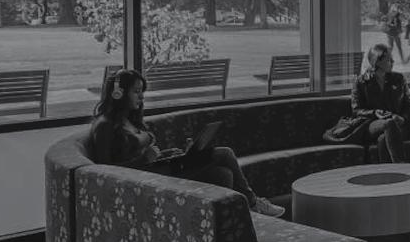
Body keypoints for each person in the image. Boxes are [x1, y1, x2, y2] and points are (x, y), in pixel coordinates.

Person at [87, 68, 284, 217]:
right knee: (225, 153)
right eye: (136, 91)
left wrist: (167, 154)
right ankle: (253, 203)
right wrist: (143, 160)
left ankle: (232, 221)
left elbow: (148, 157)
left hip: (159, 170)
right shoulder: (105, 126)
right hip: (148, 180)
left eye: (142, 91)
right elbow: (104, 171)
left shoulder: (130, 119)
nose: (141, 96)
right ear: (118, 93)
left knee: (223, 174)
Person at [351, 44, 409, 163]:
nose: (393, 62)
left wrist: (403, 117)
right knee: (389, 123)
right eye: (389, 59)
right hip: (372, 124)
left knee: (383, 139)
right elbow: (356, 110)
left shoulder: (399, 79)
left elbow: (408, 103)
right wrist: (374, 113)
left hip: (397, 123)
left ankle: (389, 172)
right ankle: (402, 167)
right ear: (377, 62)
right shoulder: (361, 82)